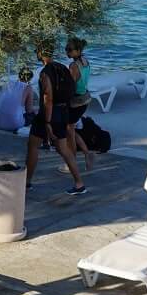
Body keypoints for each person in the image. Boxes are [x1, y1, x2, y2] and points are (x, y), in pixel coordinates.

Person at [23, 42, 85, 196]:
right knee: (63, 149)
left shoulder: (45, 73)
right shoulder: (62, 67)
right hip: (63, 111)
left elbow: (48, 98)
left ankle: (26, 182)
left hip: (49, 114)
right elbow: (72, 88)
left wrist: (48, 122)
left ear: (40, 54)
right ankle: (79, 183)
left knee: (33, 146)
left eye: (37, 52)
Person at [65, 37, 95, 168]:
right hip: (85, 99)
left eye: (70, 49)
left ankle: (72, 162)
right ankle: (87, 153)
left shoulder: (73, 66)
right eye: (66, 49)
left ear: (78, 50)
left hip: (75, 102)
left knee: (69, 131)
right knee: (70, 128)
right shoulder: (85, 61)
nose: (67, 52)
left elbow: (70, 86)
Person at [0, 66, 36, 134]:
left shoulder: (9, 83)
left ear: (19, 76)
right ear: (30, 78)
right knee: (32, 115)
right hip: (14, 124)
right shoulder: (28, 87)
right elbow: (29, 110)